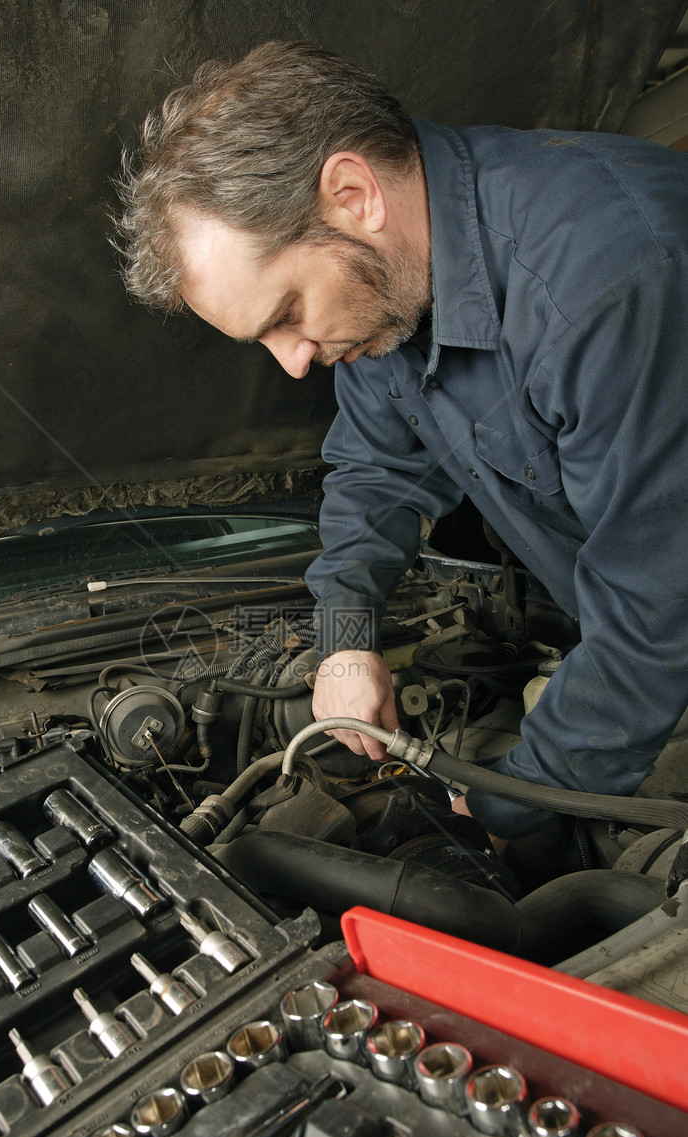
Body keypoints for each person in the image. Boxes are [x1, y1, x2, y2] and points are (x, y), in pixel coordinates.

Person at [114, 41, 688, 838]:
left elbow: (660, 603)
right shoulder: (387, 291)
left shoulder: (605, 286)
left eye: (285, 314)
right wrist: (346, 641)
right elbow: (376, 470)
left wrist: (513, 805)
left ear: (353, 194)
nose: (293, 362)